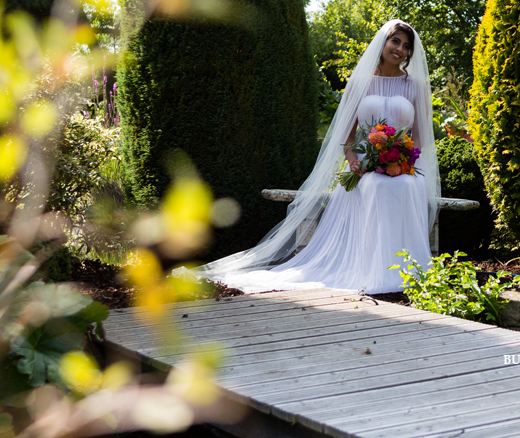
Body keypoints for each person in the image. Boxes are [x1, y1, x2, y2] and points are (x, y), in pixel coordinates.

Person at [176, 19, 439, 294]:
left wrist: (405, 160)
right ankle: (373, 269)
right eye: (395, 41)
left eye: (406, 46)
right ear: (383, 42)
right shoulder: (360, 82)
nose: (400, 49)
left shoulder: (416, 86)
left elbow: (421, 135)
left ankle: (406, 269)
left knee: (405, 185)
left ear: (410, 53)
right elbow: (347, 136)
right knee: (375, 185)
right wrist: (353, 161)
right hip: (363, 167)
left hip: (403, 165)